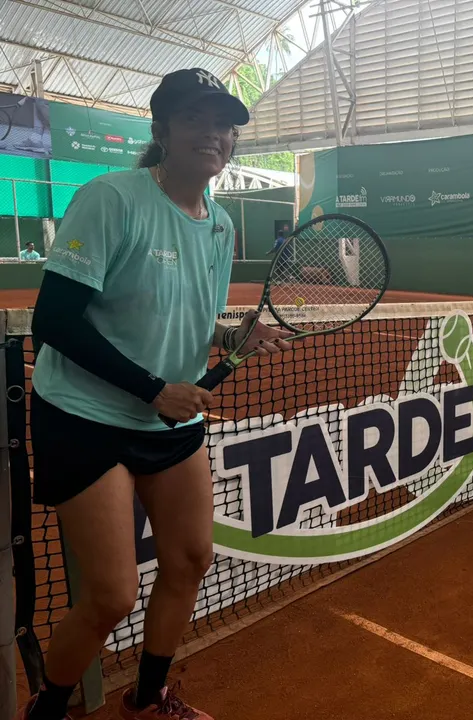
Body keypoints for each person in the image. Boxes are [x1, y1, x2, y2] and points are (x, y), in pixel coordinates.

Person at [17, 68, 292, 720]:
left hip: (164, 422)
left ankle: (148, 699)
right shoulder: (112, 199)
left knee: (191, 558)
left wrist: (232, 335)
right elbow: (52, 321)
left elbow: (188, 318)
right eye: (196, 118)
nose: (214, 133)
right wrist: (152, 390)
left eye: (224, 123)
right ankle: (48, 709)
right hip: (85, 417)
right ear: (162, 129)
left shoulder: (220, 226)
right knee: (111, 595)